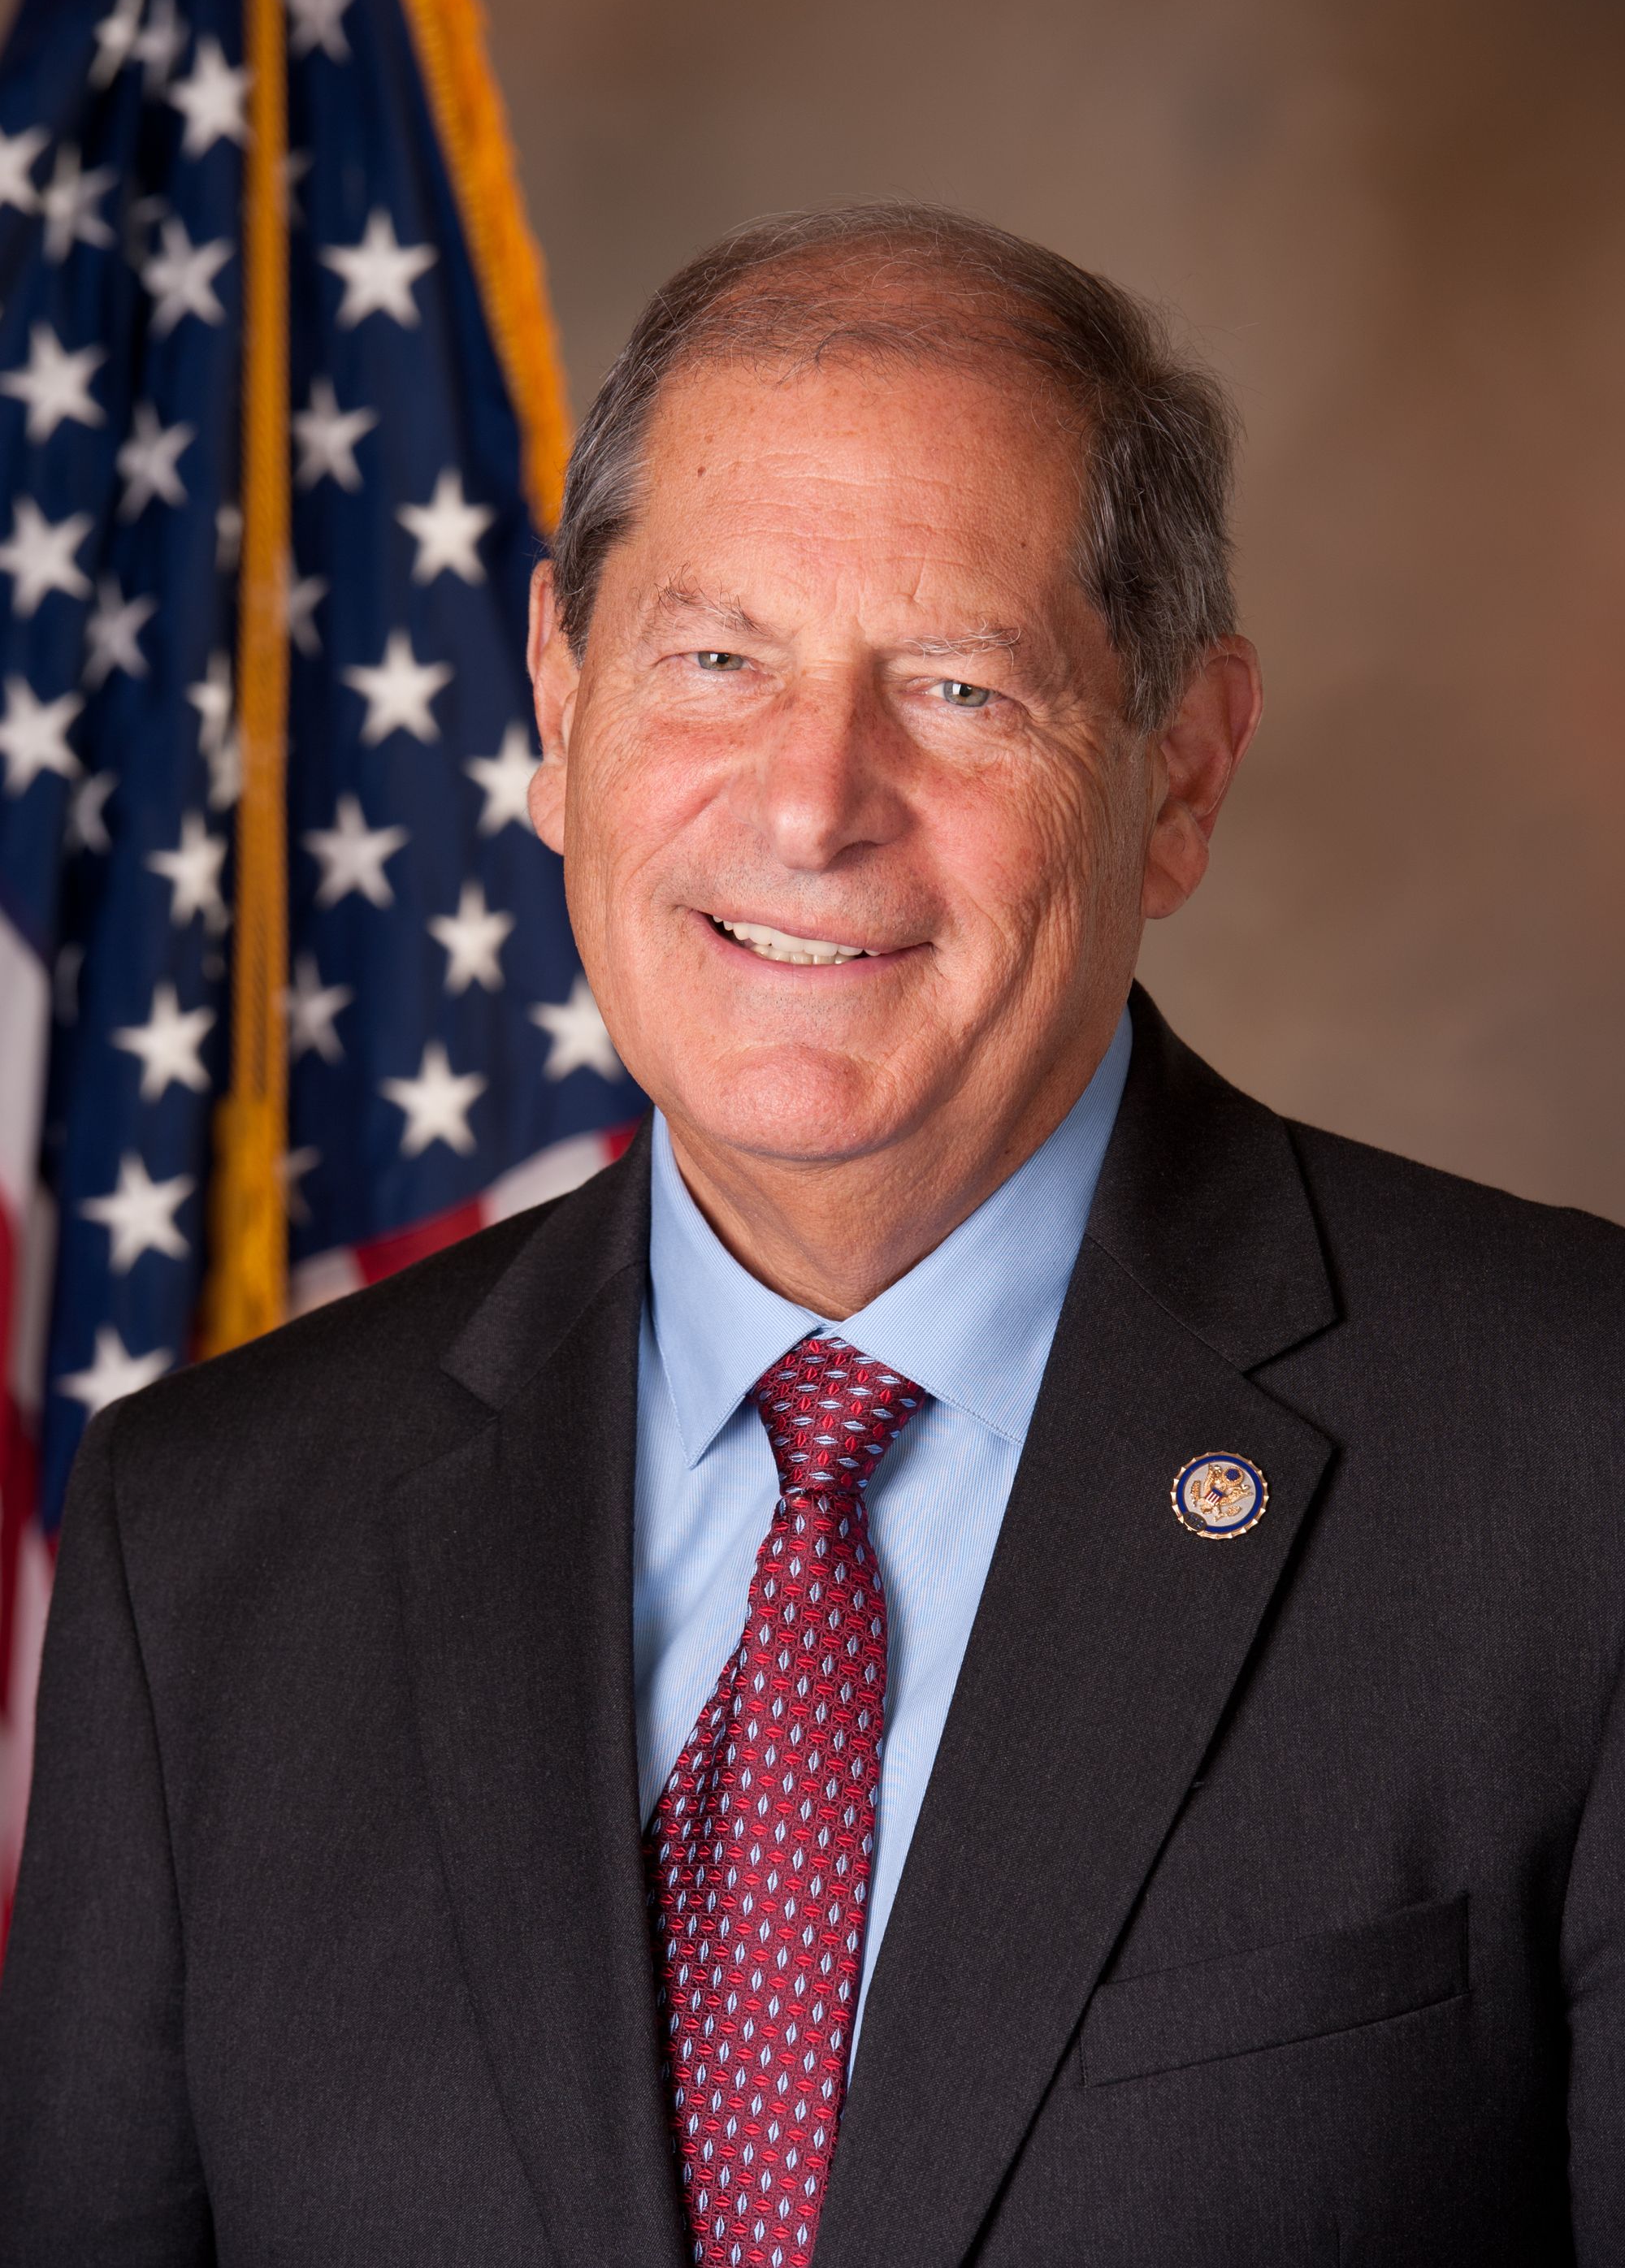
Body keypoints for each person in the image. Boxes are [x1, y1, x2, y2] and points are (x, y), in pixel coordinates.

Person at [1, 202, 1621, 2268]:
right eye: (713, 659)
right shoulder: (209, 1540)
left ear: (1183, 769)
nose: (809, 801)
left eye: (956, 685)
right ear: (557, 697)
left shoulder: (1574, 1464)